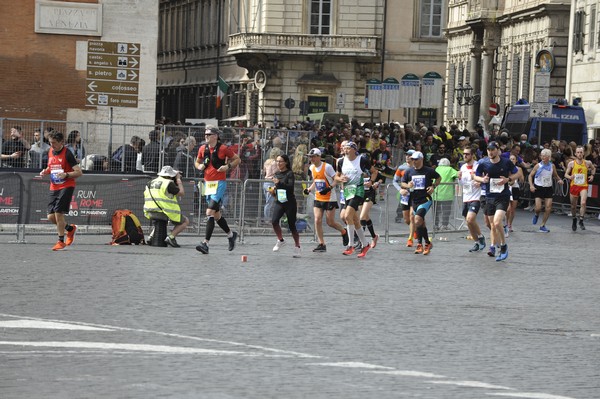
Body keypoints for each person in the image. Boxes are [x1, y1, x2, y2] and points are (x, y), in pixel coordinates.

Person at [195, 126, 241, 254]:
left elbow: (237, 159)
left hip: (219, 183)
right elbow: (197, 162)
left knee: (209, 212)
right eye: (205, 135)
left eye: (209, 134)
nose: (206, 137)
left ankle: (205, 243)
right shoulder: (202, 148)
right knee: (216, 215)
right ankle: (231, 235)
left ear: (215, 136)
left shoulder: (223, 148)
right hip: (207, 183)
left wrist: (228, 166)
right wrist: (199, 166)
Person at [473, 141, 519, 262]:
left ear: (498, 150)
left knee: (498, 223)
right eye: (488, 149)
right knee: (492, 225)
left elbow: (517, 173)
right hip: (489, 197)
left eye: (493, 149)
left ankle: (503, 246)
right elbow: (475, 176)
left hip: (503, 196)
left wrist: (508, 179)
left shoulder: (506, 162)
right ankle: (493, 246)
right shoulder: (483, 162)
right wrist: (482, 179)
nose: (490, 152)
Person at [38, 130, 82, 251]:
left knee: (58, 212)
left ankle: (60, 241)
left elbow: (79, 172)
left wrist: (66, 175)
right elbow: (51, 166)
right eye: (50, 142)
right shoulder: (50, 151)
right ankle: (70, 229)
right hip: (54, 186)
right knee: (51, 217)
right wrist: (45, 171)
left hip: (66, 185)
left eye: (54, 143)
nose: (52, 145)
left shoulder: (67, 153)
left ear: (61, 142)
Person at [304, 148, 347, 252]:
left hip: (329, 198)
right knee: (317, 220)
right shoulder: (311, 167)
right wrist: (309, 189)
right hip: (318, 197)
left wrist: (329, 188)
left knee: (330, 222)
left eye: (313, 156)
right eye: (310, 157)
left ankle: (344, 232)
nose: (311, 159)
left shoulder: (327, 167)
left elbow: (336, 179)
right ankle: (321, 243)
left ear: (319, 157)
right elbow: (316, 180)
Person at [335, 141, 372, 258]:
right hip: (347, 191)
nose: (345, 150)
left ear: (354, 149)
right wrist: (340, 178)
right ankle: (365, 244)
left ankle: (350, 245)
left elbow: (374, 172)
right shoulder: (340, 161)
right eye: (344, 148)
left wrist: (371, 181)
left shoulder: (361, 160)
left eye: (347, 148)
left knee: (347, 216)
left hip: (358, 190)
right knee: (355, 220)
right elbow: (336, 176)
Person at [400, 151, 441, 255]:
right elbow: (402, 182)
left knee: (417, 220)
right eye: (412, 159)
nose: (414, 161)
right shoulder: (409, 171)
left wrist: (433, 186)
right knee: (420, 222)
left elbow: (439, 178)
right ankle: (427, 243)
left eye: (416, 159)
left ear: (421, 159)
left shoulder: (428, 170)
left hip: (425, 199)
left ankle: (419, 243)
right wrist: (407, 186)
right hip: (414, 200)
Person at [143, 165, 190, 247]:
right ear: (170, 176)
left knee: (162, 220)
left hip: (149, 210)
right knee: (185, 221)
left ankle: (150, 237)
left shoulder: (150, 182)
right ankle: (171, 237)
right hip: (163, 211)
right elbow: (181, 193)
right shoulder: (168, 183)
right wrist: (178, 180)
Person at [269, 154, 302, 257]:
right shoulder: (276, 173)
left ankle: (297, 247)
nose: (278, 163)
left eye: (280, 161)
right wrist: (273, 191)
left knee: (292, 226)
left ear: (286, 162)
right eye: (277, 161)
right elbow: (277, 188)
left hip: (290, 202)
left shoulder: (289, 174)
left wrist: (279, 183)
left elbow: (289, 187)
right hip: (280, 201)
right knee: (274, 221)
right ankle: (280, 240)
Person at [458, 147, 486, 252]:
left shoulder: (478, 166)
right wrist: (459, 178)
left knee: (470, 219)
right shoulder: (463, 167)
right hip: (466, 197)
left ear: (472, 155)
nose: (465, 156)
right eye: (464, 154)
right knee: (468, 222)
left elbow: (485, 178)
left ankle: (480, 236)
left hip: (476, 197)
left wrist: (480, 182)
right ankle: (476, 242)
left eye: (467, 154)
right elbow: (461, 184)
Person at [529, 148, 562, 233]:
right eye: (542, 156)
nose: (543, 157)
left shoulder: (552, 166)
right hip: (539, 187)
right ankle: (536, 214)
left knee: (548, 208)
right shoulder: (538, 166)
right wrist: (531, 185)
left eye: (545, 156)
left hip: (548, 188)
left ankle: (542, 225)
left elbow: (555, 175)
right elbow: (530, 176)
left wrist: (559, 180)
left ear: (549, 157)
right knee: (538, 208)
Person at [564, 146, 597, 231]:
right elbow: (565, 174)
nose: (579, 154)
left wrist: (592, 175)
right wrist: (570, 177)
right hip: (574, 186)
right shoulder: (571, 163)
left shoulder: (587, 163)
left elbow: (593, 169)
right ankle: (574, 219)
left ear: (583, 153)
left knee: (583, 202)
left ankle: (581, 220)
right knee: (573, 206)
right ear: (575, 153)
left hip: (583, 186)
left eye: (581, 152)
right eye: (578, 152)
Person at [393, 149, 416, 247]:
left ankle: (410, 238)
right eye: (406, 155)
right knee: (407, 219)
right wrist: (400, 190)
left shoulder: (418, 168)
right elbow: (395, 181)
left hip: (415, 195)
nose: (407, 157)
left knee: (412, 216)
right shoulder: (402, 168)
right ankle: (414, 230)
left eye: (410, 155)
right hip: (405, 195)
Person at [433, 158, 458, 230]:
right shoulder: (450, 169)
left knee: (436, 211)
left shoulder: (437, 169)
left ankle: (435, 225)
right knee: (446, 211)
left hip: (436, 193)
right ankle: (444, 225)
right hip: (447, 194)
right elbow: (457, 174)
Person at [262, 147, 282, 224]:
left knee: (269, 201)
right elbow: (275, 171)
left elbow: (264, 171)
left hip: (265, 183)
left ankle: (268, 218)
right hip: (271, 183)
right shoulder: (274, 162)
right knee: (269, 202)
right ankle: (267, 219)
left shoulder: (267, 161)